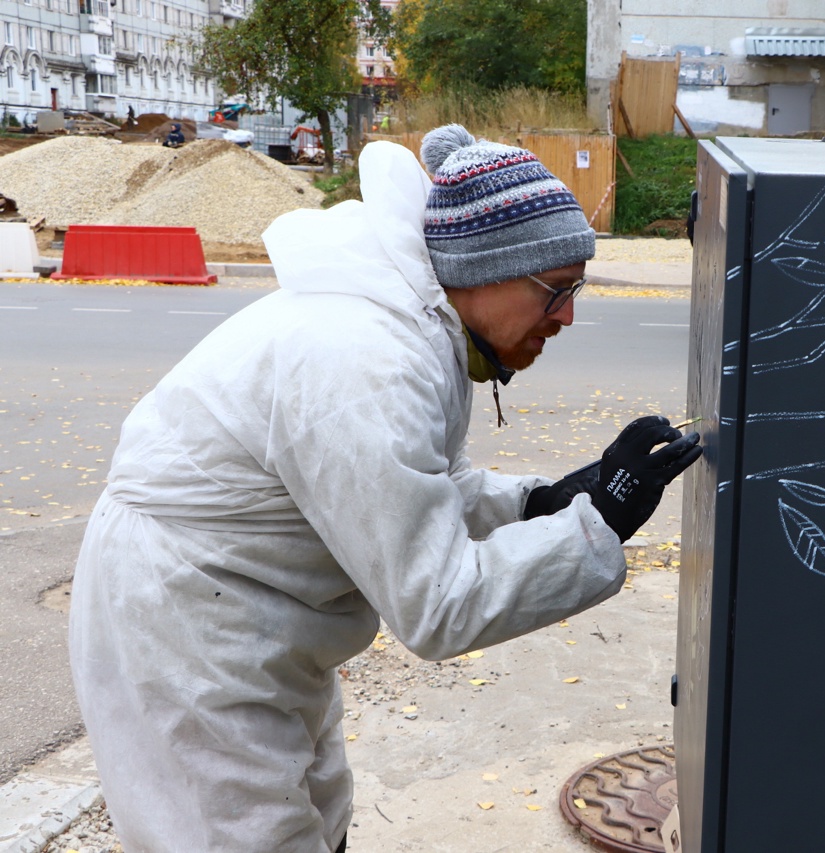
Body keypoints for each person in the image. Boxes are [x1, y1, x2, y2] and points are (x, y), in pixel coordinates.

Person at [68, 125, 701, 852]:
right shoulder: (367, 360)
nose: (567, 316)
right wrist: (595, 529)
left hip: (252, 607)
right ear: (486, 269)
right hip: (184, 621)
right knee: (244, 833)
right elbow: (438, 604)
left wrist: (541, 504)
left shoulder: (422, 323)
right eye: (556, 291)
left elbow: (422, 487)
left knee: (316, 805)